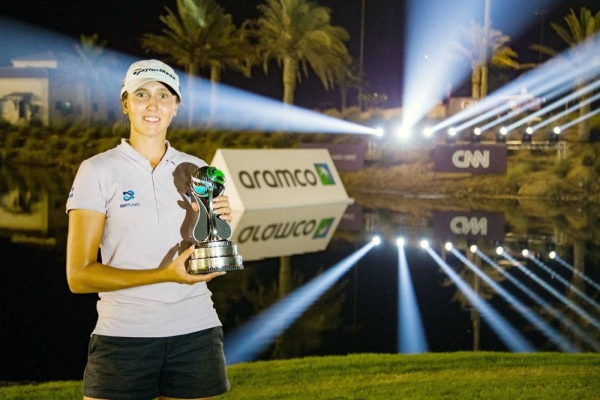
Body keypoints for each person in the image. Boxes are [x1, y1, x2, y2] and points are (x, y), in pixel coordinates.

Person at [66, 59, 231, 400]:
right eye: (141, 94)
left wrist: (217, 233)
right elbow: (78, 276)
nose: (153, 104)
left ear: (176, 107)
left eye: (164, 95)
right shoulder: (97, 170)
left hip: (196, 333)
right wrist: (165, 275)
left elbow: (202, 260)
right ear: (126, 103)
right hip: (123, 337)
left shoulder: (196, 168)